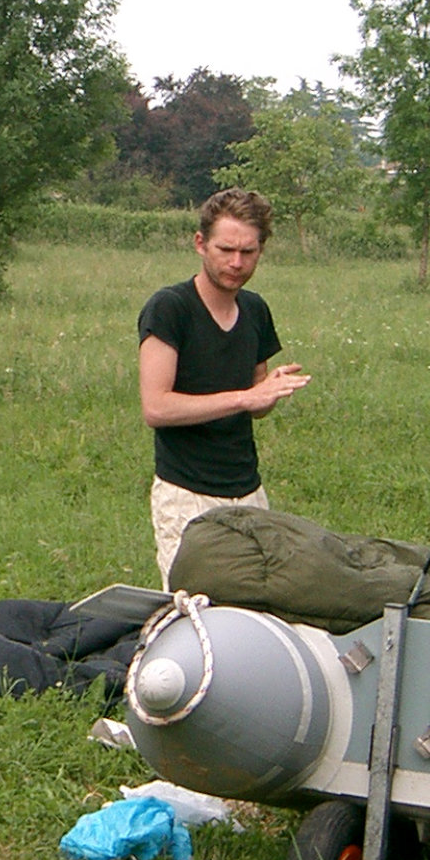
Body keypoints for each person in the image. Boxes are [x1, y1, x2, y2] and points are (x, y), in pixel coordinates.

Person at [138, 187, 311, 585]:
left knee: (255, 603)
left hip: (247, 489)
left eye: (248, 252)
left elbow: (256, 404)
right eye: (226, 249)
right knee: (193, 605)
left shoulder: (255, 309)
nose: (236, 262)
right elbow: (157, 408)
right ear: (200, 244)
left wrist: (268, 392)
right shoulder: (170, 308)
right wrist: (245, 397)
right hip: (186, 492)